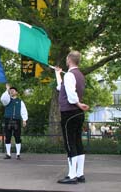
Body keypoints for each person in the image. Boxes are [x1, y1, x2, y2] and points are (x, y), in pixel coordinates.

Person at [55, 51, 89, 184]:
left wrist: (78, 103)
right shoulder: (80, 75)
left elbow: (70, 94)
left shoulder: (69, 75)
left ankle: (71, 175)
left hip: (69, 113)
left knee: (70, 144)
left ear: (69, 59)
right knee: (78, 142)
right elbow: (61, 88)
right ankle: (80, 174)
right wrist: (57, 74)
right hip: (78, 114)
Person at [0, 84, 28, 160]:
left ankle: (18, 154)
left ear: (17, 92)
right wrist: (7, 90)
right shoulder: (7, 100)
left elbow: (23, 111)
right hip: (8, 120)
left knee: (17, 137)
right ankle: (8, 154)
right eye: (10, 91)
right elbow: (3, 99)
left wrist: (24, 120)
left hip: (17, 120)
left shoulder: (20, 102)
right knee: (8, 137)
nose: (11, 91)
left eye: (13, 90)